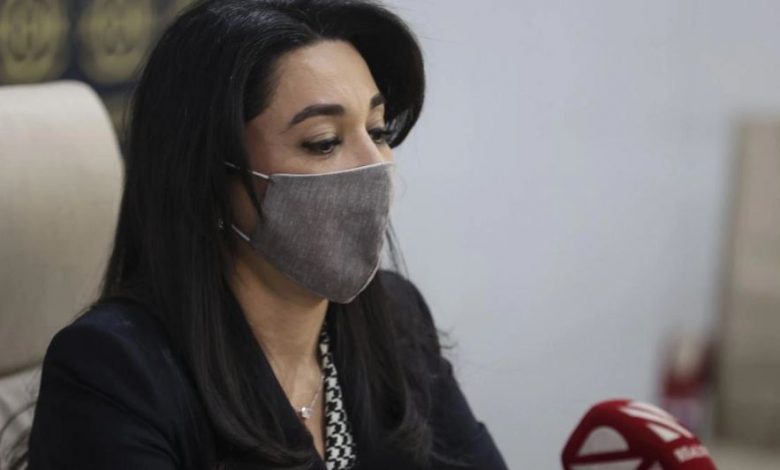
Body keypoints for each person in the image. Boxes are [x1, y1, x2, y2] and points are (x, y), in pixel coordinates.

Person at [25, 0, 508, 468]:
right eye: (324, 142)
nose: (374, 166)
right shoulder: (113, 372)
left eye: (378, 131)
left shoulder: (398, 318)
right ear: (212, 173)